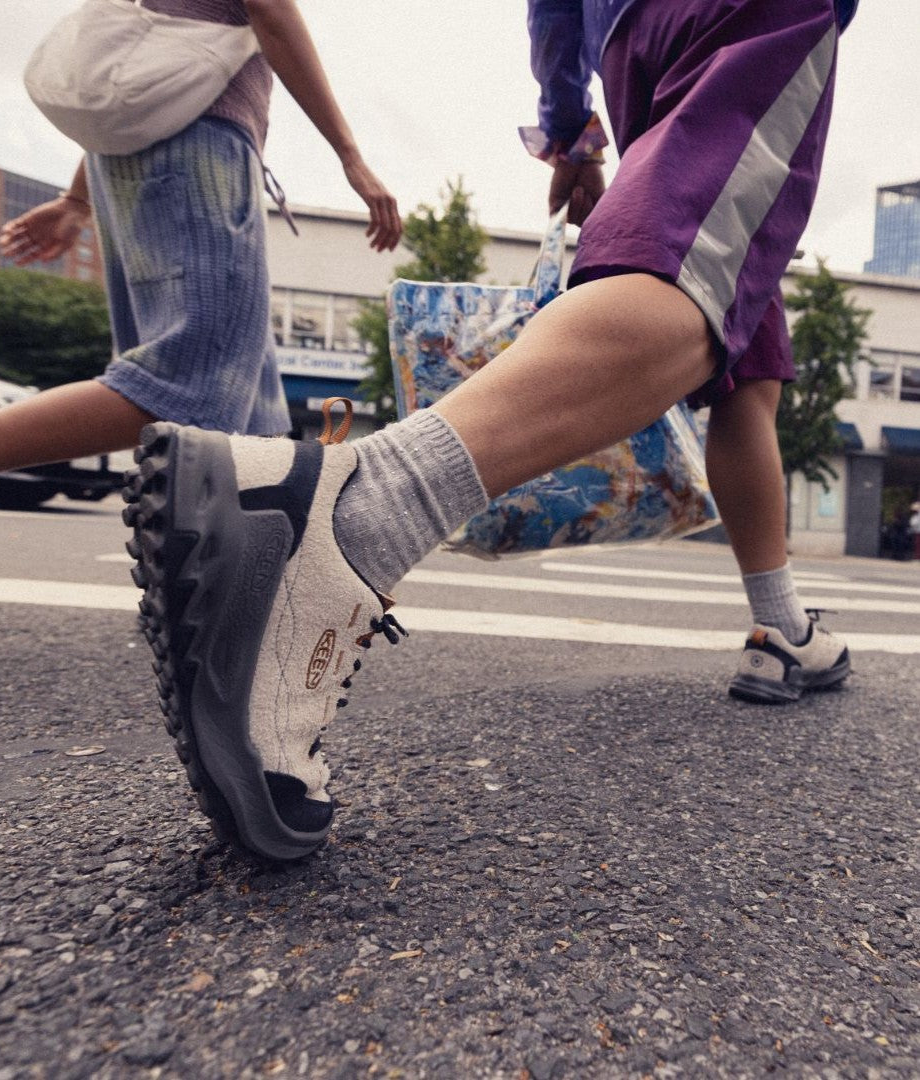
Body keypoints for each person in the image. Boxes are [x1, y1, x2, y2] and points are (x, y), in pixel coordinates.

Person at [116, 0, 860, 863]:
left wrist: (569, 127)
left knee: (729, 328)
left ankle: (782, 625)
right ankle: (358, 510)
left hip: (629, 41)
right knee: (692, 286)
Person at [0, 0, 401, 630]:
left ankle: (258, 614)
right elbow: (270, 10)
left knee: (249, 423)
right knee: (187, 391)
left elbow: (141, 73)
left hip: (151, 151)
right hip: (198, 151)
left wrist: (75, 199)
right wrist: (350, 154)